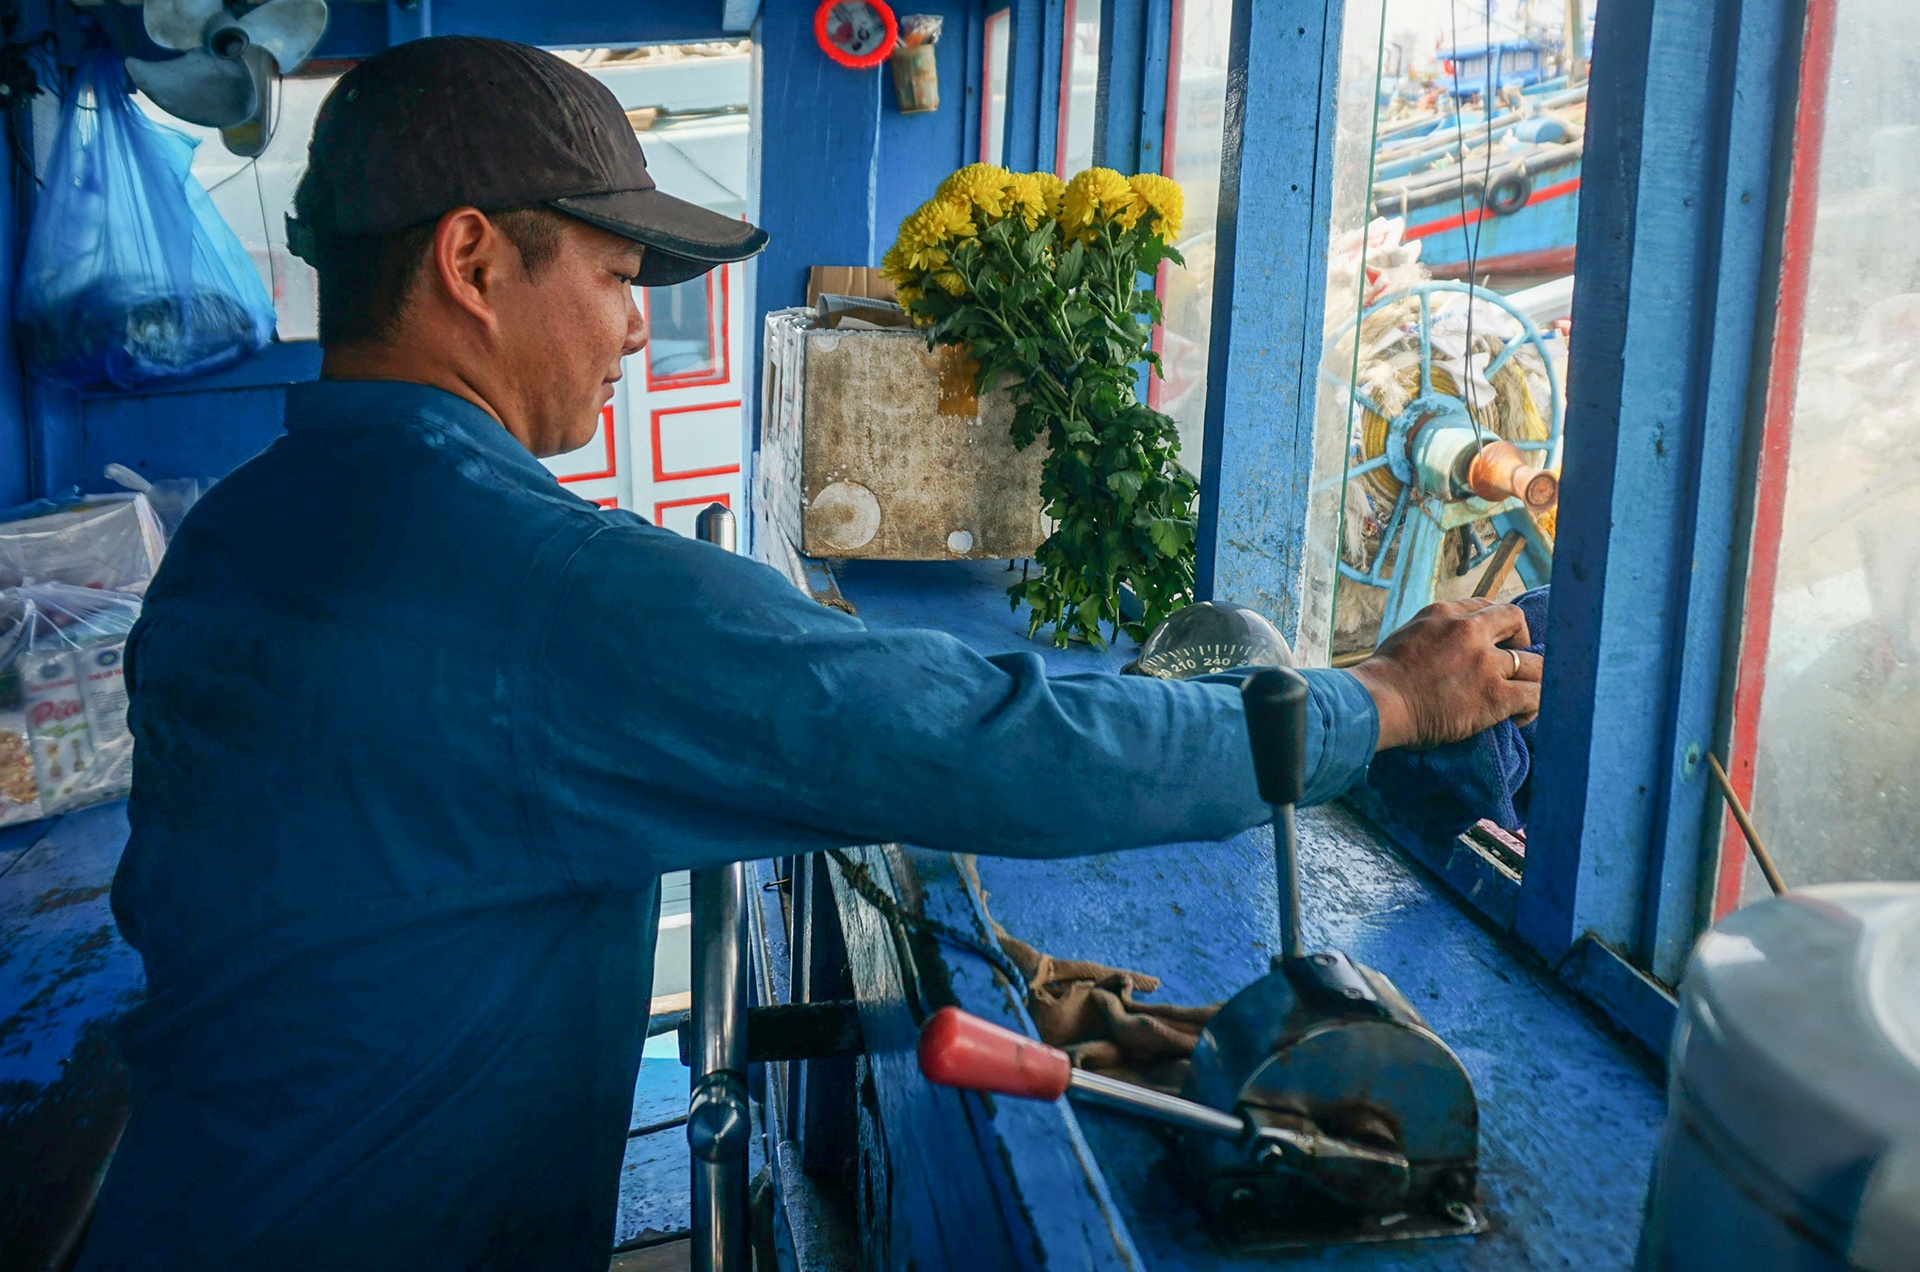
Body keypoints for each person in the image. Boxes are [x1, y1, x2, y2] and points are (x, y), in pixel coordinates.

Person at [78, 37, 1543, 1271]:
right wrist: (1381, 702)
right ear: (471, 259)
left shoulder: (246, 530)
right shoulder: (539, 590)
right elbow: (996, 750)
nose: (638, 333)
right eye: (615, 272)